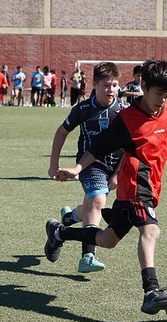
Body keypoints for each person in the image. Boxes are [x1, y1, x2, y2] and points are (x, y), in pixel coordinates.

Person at [45, 59, 167, 315]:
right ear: (144, 86)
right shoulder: (126, 119)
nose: (162, 100)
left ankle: (59, 233)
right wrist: (76, 169)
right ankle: (151, 291)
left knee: (107, 240)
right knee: (151, 231)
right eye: (158, 94)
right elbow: (97, 147)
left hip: (150, 188)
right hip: (134, 188)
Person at [47, 62, 125, 273]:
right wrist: (53, 165)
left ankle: (67, 219)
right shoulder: (83, 108)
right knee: (98, 201)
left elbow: (129, 147)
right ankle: (88, 256)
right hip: (90, 165)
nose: (111, 90)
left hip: (115, 166)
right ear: (95, 84)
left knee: (91, 206)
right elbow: (61, 132)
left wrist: (118, 174)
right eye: (106, 86)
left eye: (115, 85)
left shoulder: (124, 111)